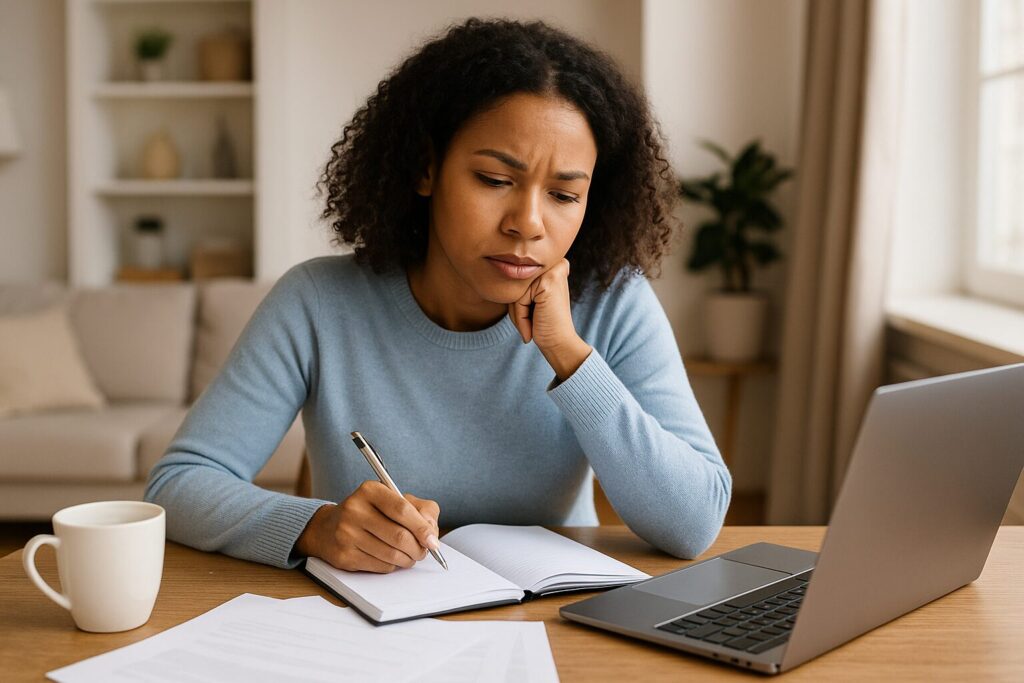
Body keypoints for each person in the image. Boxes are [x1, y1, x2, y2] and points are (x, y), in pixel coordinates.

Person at [145, 18, 731, 573]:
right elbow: (181, 483)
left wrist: (569, 355)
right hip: (370, 625)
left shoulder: (611, 303)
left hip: (557, 625)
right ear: (426, 169)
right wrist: (313, 526)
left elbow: (694, 522)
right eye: (495, 180)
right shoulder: (317, 302)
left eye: (563, 195)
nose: (528, 223)